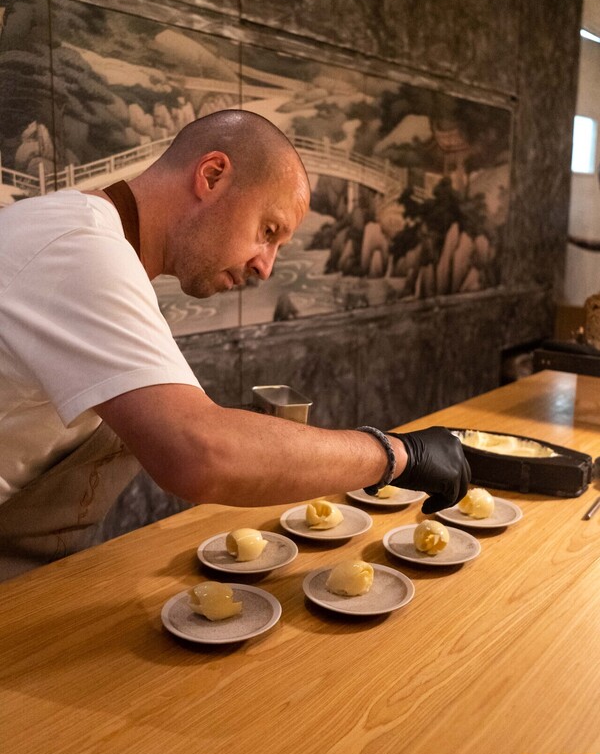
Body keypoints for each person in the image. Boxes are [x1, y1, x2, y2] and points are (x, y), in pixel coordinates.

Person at [0, 110, 469, 579]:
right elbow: (199, 455)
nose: (266, 268)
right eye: (268, 232)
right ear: (212, 175)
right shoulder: (79, 248)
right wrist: (397, 455)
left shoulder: (88, 237)